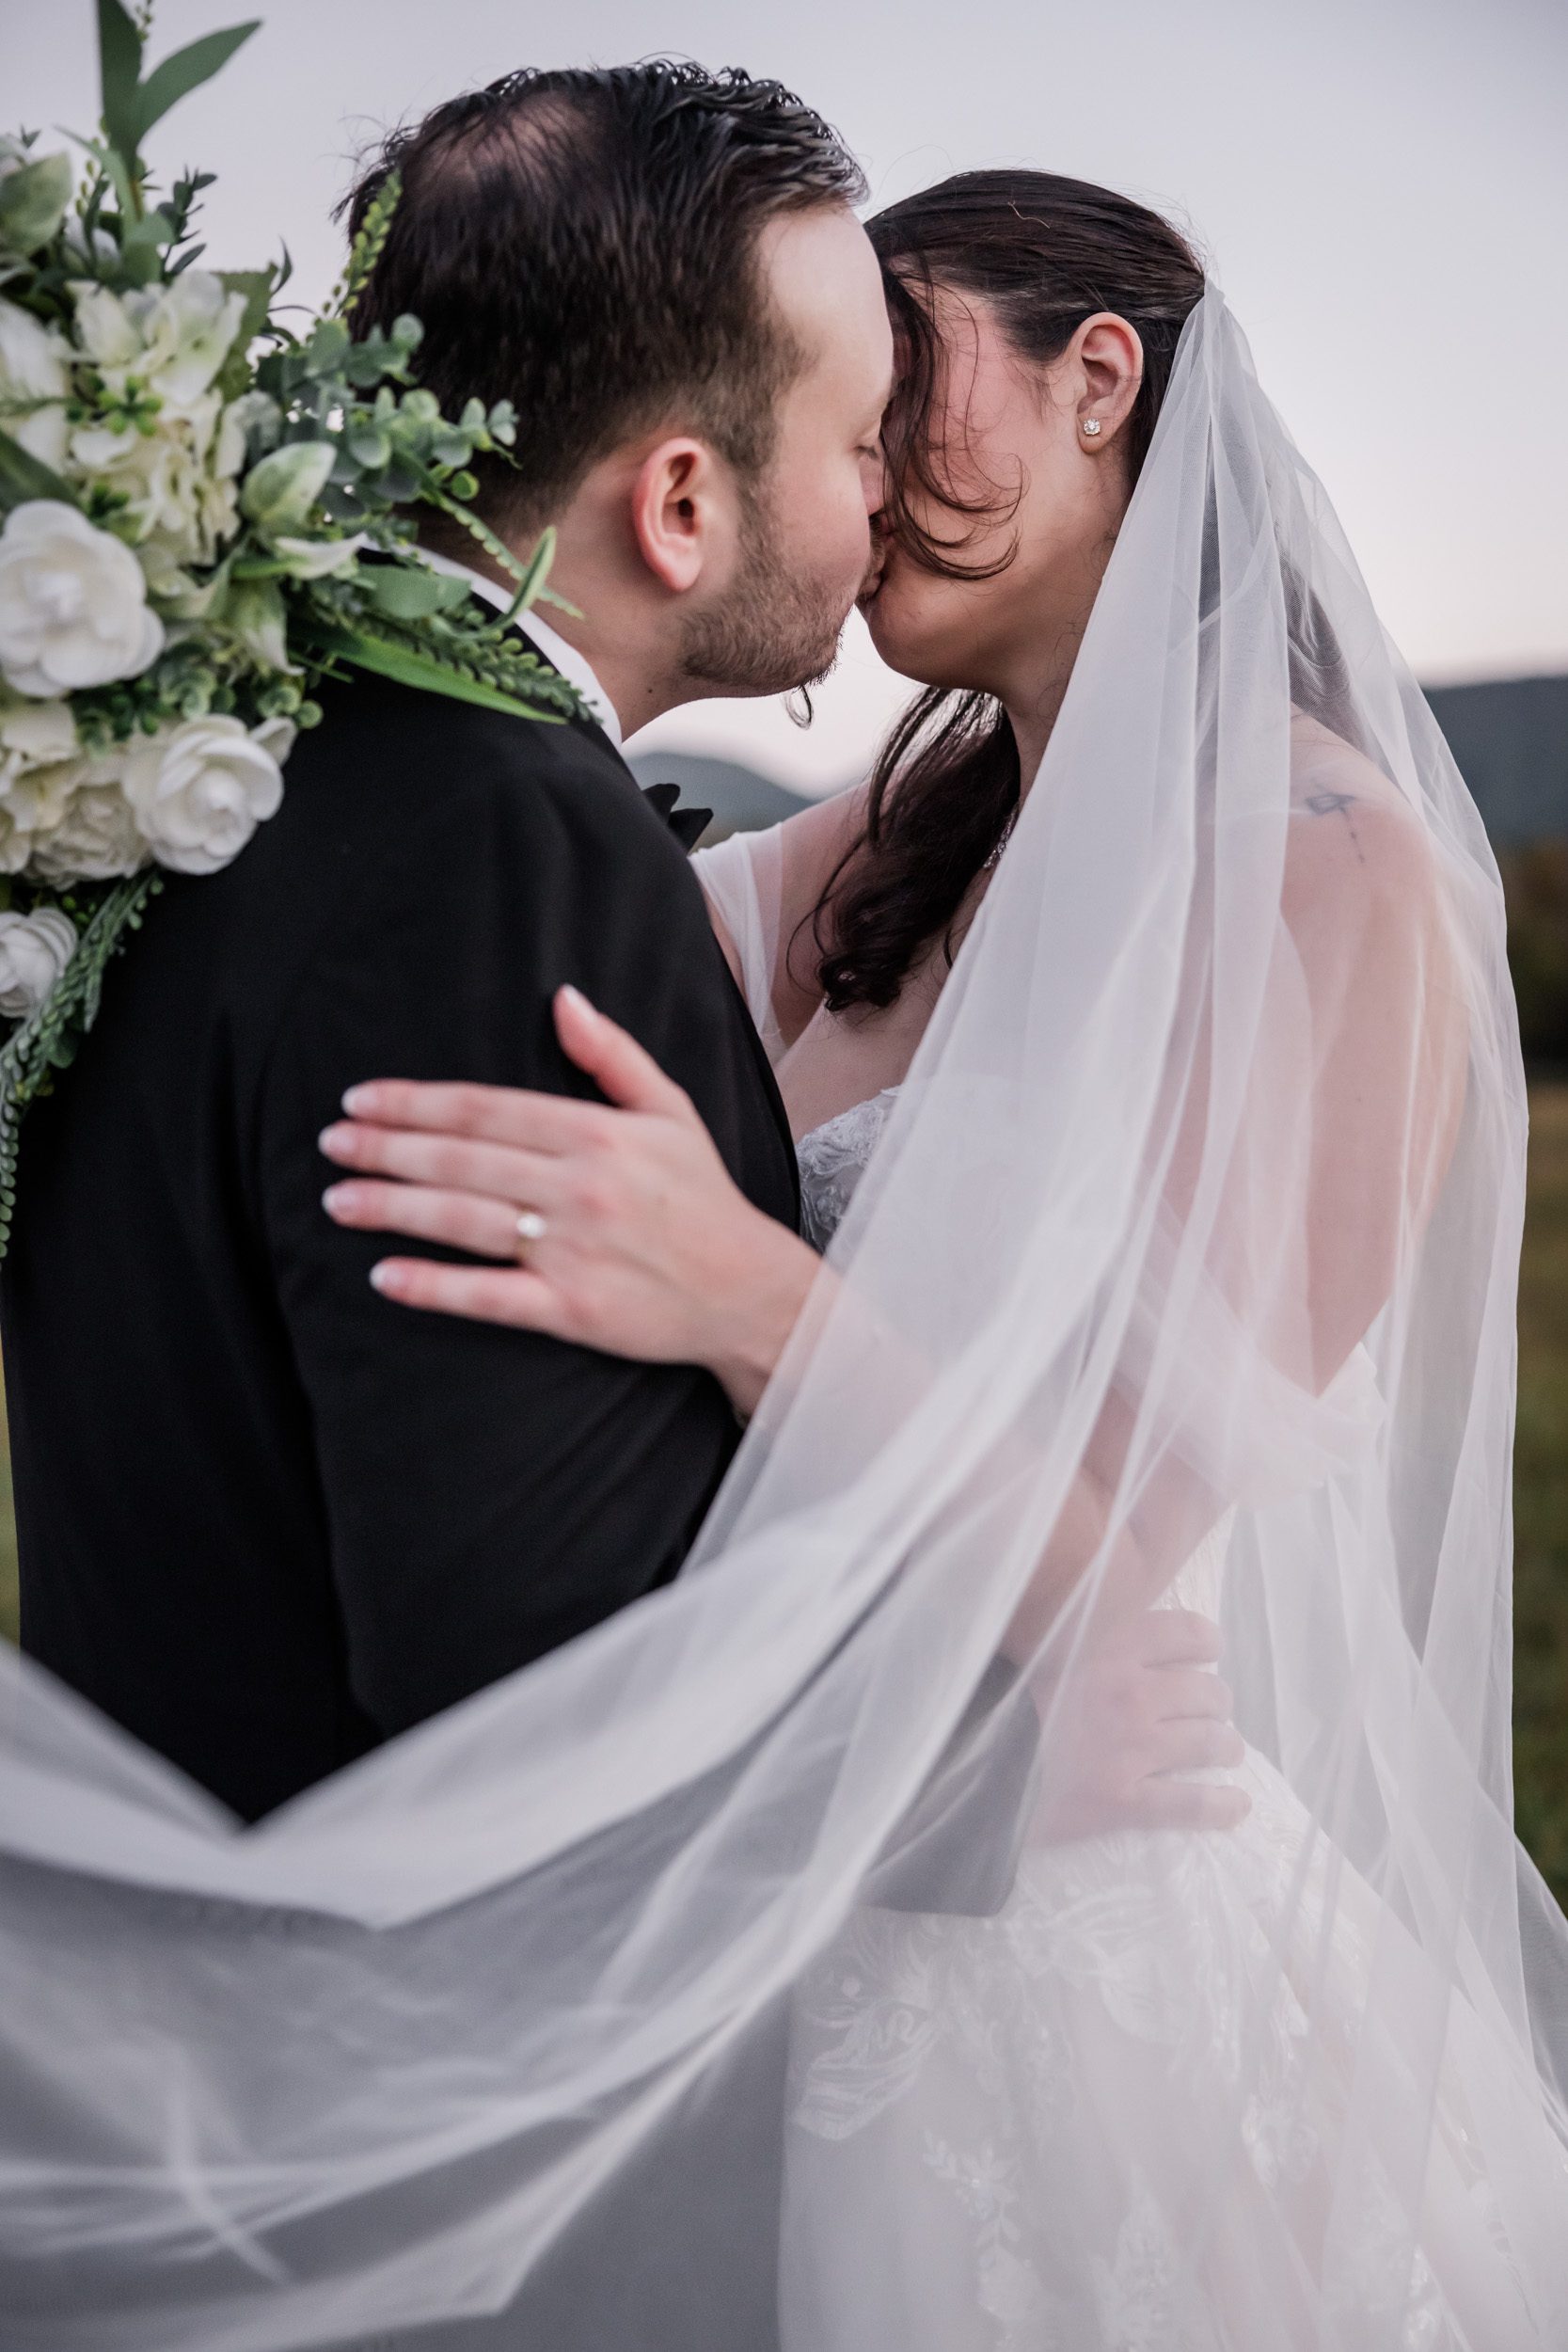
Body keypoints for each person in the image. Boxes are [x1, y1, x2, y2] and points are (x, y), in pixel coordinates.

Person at [320, 173, 1568, 2344]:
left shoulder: (1338, 878)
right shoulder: (880, 852)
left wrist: (741, 1285)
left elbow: (1109, 1544)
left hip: (1070, 1917)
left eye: (905, 381)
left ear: (1102, 378)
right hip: (765, 1859)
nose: (863, 465)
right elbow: (521, 883)